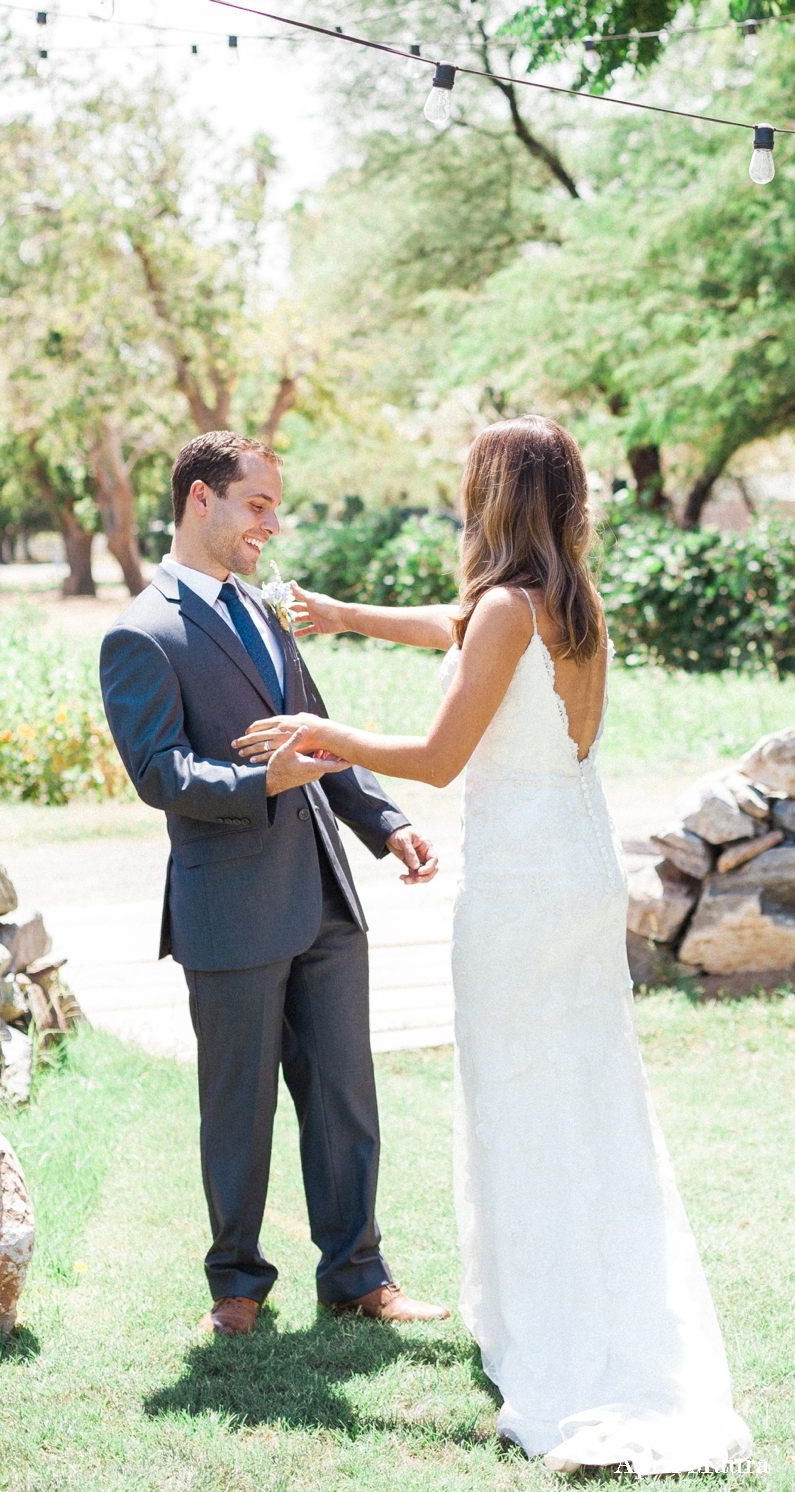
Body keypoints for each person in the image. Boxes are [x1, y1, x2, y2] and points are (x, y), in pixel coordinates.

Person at [234, 415, 752, 1473]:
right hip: (573, 869)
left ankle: (552, 1331)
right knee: (581, 1090)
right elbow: (456, 624)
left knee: (520, 1095)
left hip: (520, 887)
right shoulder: (559, 599)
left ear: (491, 500)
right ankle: (575, 1294)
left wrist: (316, 732)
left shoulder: (508, 610)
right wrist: (340, 614)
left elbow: (433, 758)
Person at [100, 429, 449, 1338]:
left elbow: (319, 737)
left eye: (274, 507)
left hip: (325, 895)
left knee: (344, 1097)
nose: (270, 524)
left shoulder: (264, 609)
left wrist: (386, 822)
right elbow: (159, 774)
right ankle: (238, 1287)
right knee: (238, 1106)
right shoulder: (139, 631)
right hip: (228, 907)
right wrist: (262, 782)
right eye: (257, 505)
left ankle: (357, 1276)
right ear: (199, 500)